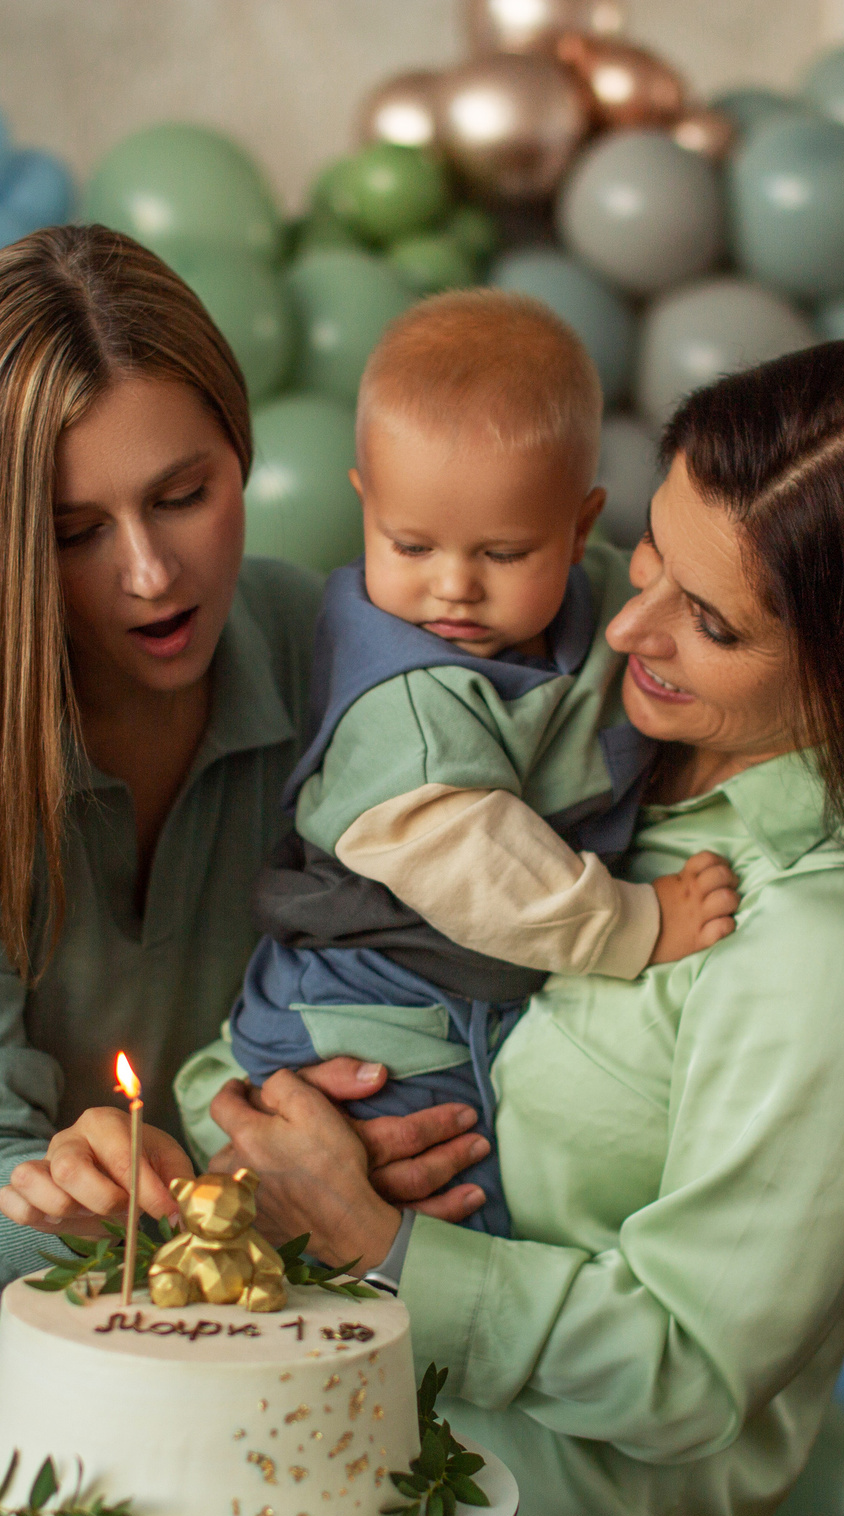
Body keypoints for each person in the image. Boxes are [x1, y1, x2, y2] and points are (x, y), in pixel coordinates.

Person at [9, 338, 844, 1516]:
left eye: (708, 622)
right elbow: (341, 982)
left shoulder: (841, 951)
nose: (625, 625)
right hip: (313, 1497)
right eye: (651, 559)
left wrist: (381, 1242)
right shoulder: (587, 741)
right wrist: (261, 1143)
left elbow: (689, 1373)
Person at [0, 226, 479, 1516]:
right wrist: (67, 1194)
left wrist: (365, 1122)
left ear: (243, 454)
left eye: (181, 493)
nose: (151, 574)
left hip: (238, 1320)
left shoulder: (340, 658)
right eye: (72, 529)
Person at [182, 290, 741, 1240]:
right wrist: (636, 922)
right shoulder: (406, 703)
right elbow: (488, 874)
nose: (452, 585)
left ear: (580, 527)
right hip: (373, 1016)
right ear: (366, 504)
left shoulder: (598, 599)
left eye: (504, 551)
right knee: (448, 1195)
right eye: (410, 545)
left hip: (460, 988)